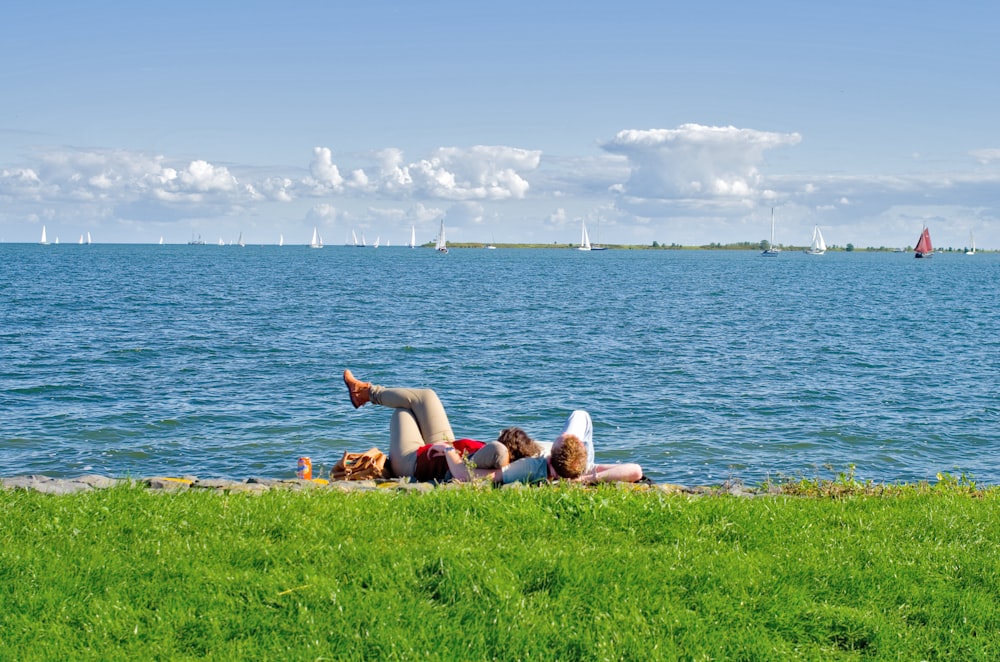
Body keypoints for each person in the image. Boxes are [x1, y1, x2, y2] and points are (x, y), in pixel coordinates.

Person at [343, 369, 511, 482]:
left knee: (402, 412)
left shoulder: (498, 457)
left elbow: (466, 472)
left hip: (413, 463)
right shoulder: (517, 458)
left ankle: (364, 392)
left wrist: (448, 451)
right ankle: (363, 392)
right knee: (426, 396)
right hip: (444, 447)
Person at [431, 410, 644, 486]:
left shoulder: (532, 467)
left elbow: (465, 475)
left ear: (551, 457)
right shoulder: (582, 467)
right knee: (581, 415)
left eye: (558, 441)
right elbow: (635, 471)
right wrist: (585, 479)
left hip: (556, 468)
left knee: (580, 416)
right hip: (575, 471)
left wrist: (450, 451)